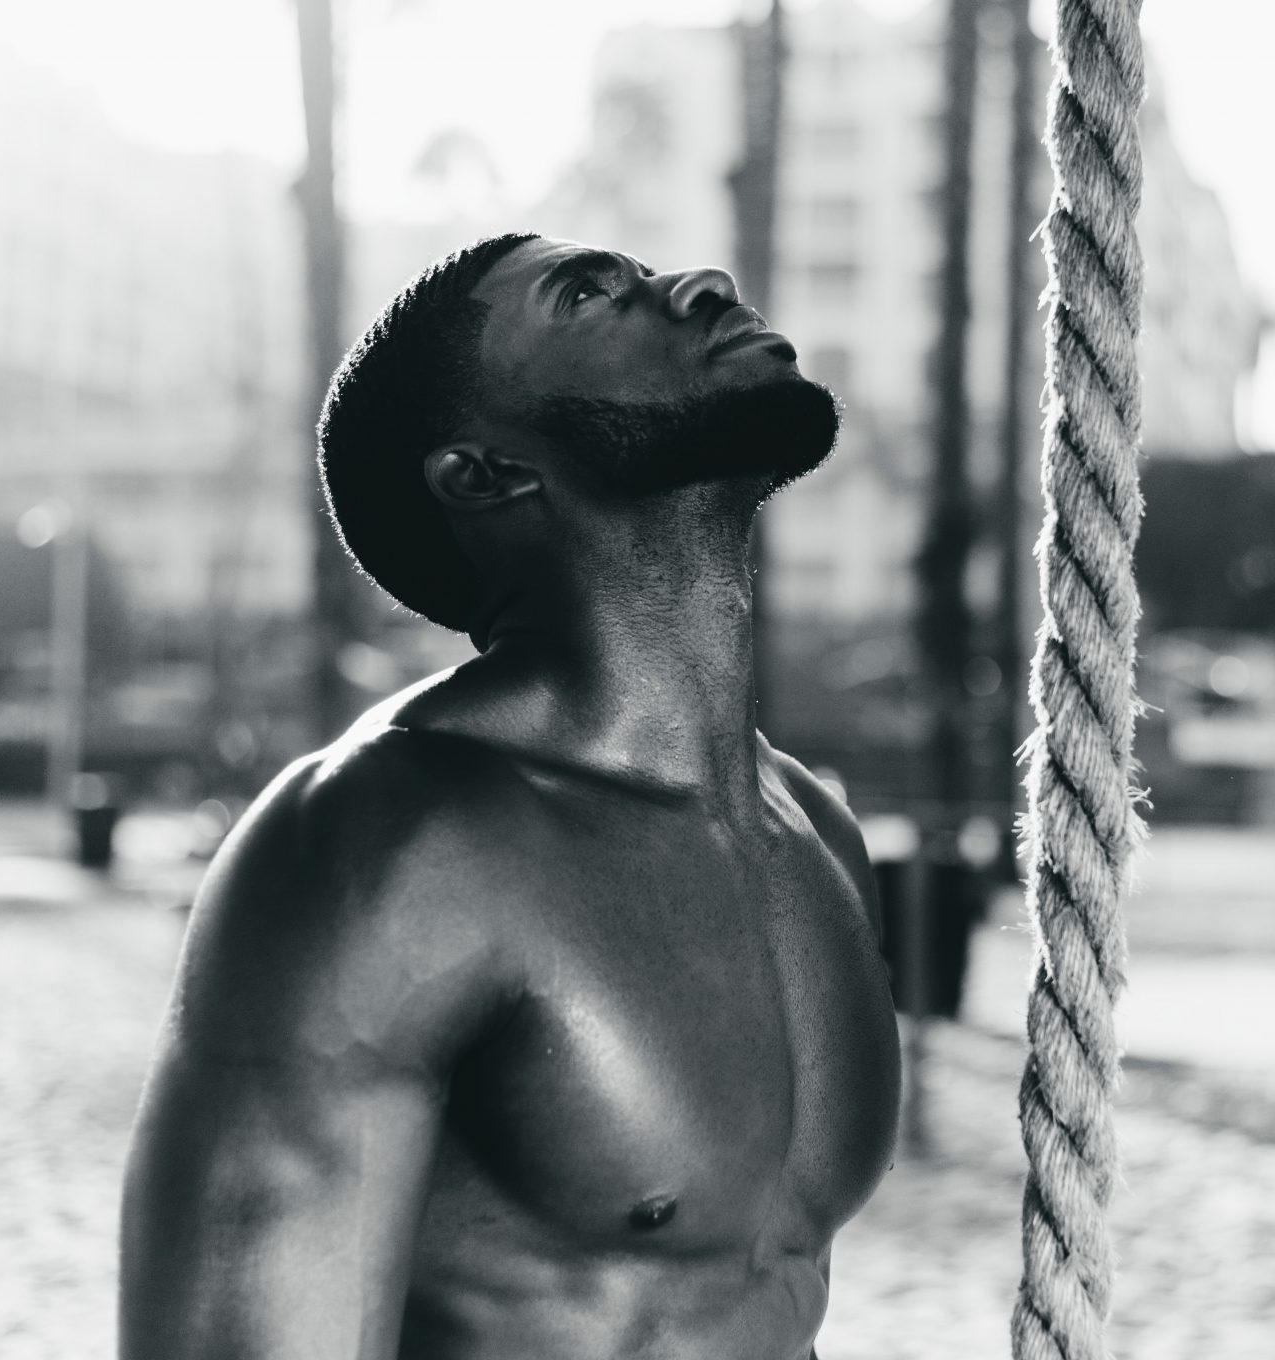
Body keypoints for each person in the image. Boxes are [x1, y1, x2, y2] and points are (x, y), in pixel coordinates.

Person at [120, 233, 901, 1360]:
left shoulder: (808, 830)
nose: (698, 287)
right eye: (588, 294)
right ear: (482, 471)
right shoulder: (380, 839)